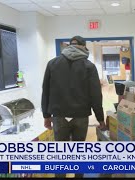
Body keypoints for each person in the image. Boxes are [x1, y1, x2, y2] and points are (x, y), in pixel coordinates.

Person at [41, 35, 106, 178]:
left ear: (69, 46)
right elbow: (95, 94)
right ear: (83, 47)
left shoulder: (52, 63)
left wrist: (46, 115)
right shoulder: (89, 66)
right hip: (80, 115)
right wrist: (101, 118)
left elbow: (45, 90)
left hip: (59, 115)